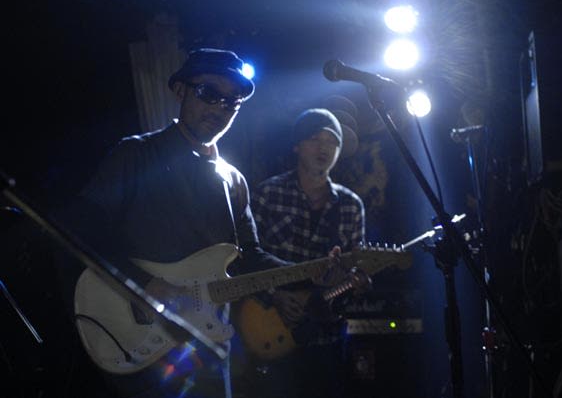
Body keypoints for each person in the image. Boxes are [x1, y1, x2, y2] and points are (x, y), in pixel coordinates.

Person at [55, 48, 340, 398]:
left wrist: (314, 273)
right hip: (138, 339)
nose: (220, 107)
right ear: (180, 91)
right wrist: (145, 285)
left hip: (207, 349)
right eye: (209, 93)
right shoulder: (136, 154)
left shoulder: (233, 180)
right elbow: (81, 230)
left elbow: (249, 257)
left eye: (232, 102)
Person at [244, 108, 366, 398]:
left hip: (325, 339)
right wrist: (274, 295)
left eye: (332, 141)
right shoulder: (267, 194)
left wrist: (356, 282)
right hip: (267, 329)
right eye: (315, 139)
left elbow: (354, 275)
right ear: (297, 145)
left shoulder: (351, 205)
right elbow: (244, 259)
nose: (324, 147)